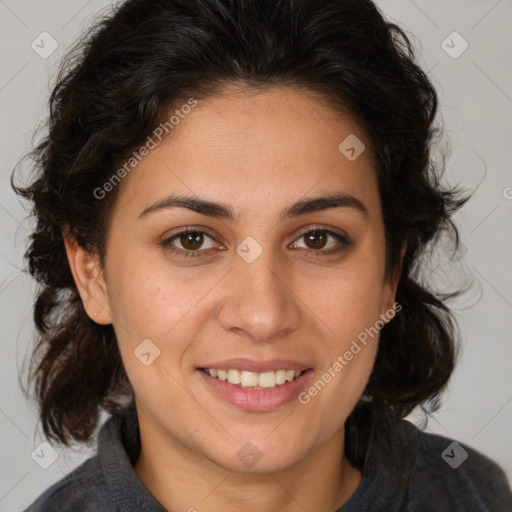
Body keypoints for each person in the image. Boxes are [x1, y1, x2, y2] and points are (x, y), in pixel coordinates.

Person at [13, 0, 512, 510]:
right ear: (91, 272)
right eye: (191, 240)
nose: (262, 315)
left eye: (318, 239)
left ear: (391, 271)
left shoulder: (478, 494)